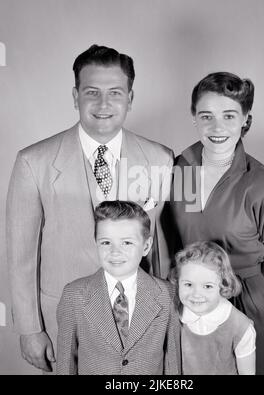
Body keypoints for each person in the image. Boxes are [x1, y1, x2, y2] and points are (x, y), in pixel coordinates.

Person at [6, 45, 173, 373]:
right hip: (65, 322)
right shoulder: (33, 162)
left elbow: (162, 247)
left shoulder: (161, 159)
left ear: (130, 97)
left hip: (140, 324)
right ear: (75, 95)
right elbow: (21, 256)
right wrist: (29, 328)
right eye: (92, 92)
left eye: (115, 92)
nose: (103, 104)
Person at [170, 72, 264, 375]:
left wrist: (236, 284)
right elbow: (182, 229)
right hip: (191, 295)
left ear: (245, 119)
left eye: (229, 115)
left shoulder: (263, 185)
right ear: (194, 118)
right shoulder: (183, 166)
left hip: (242, 298)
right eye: (206, 115)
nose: (217, 127)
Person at [56, 200, 181, 375]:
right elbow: (65, 366)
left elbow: (172, 365)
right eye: (106, 242)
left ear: (146, 246)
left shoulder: (166, 294)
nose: (115, 252)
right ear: (96, 243)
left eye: (127, 243)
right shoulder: (74, 295)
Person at [171, 241, 256, 375]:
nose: (196, 294)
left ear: (223, 285)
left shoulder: (241, 327)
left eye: (207, 286)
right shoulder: (172, 315)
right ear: (178, 282)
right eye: (188, 284)